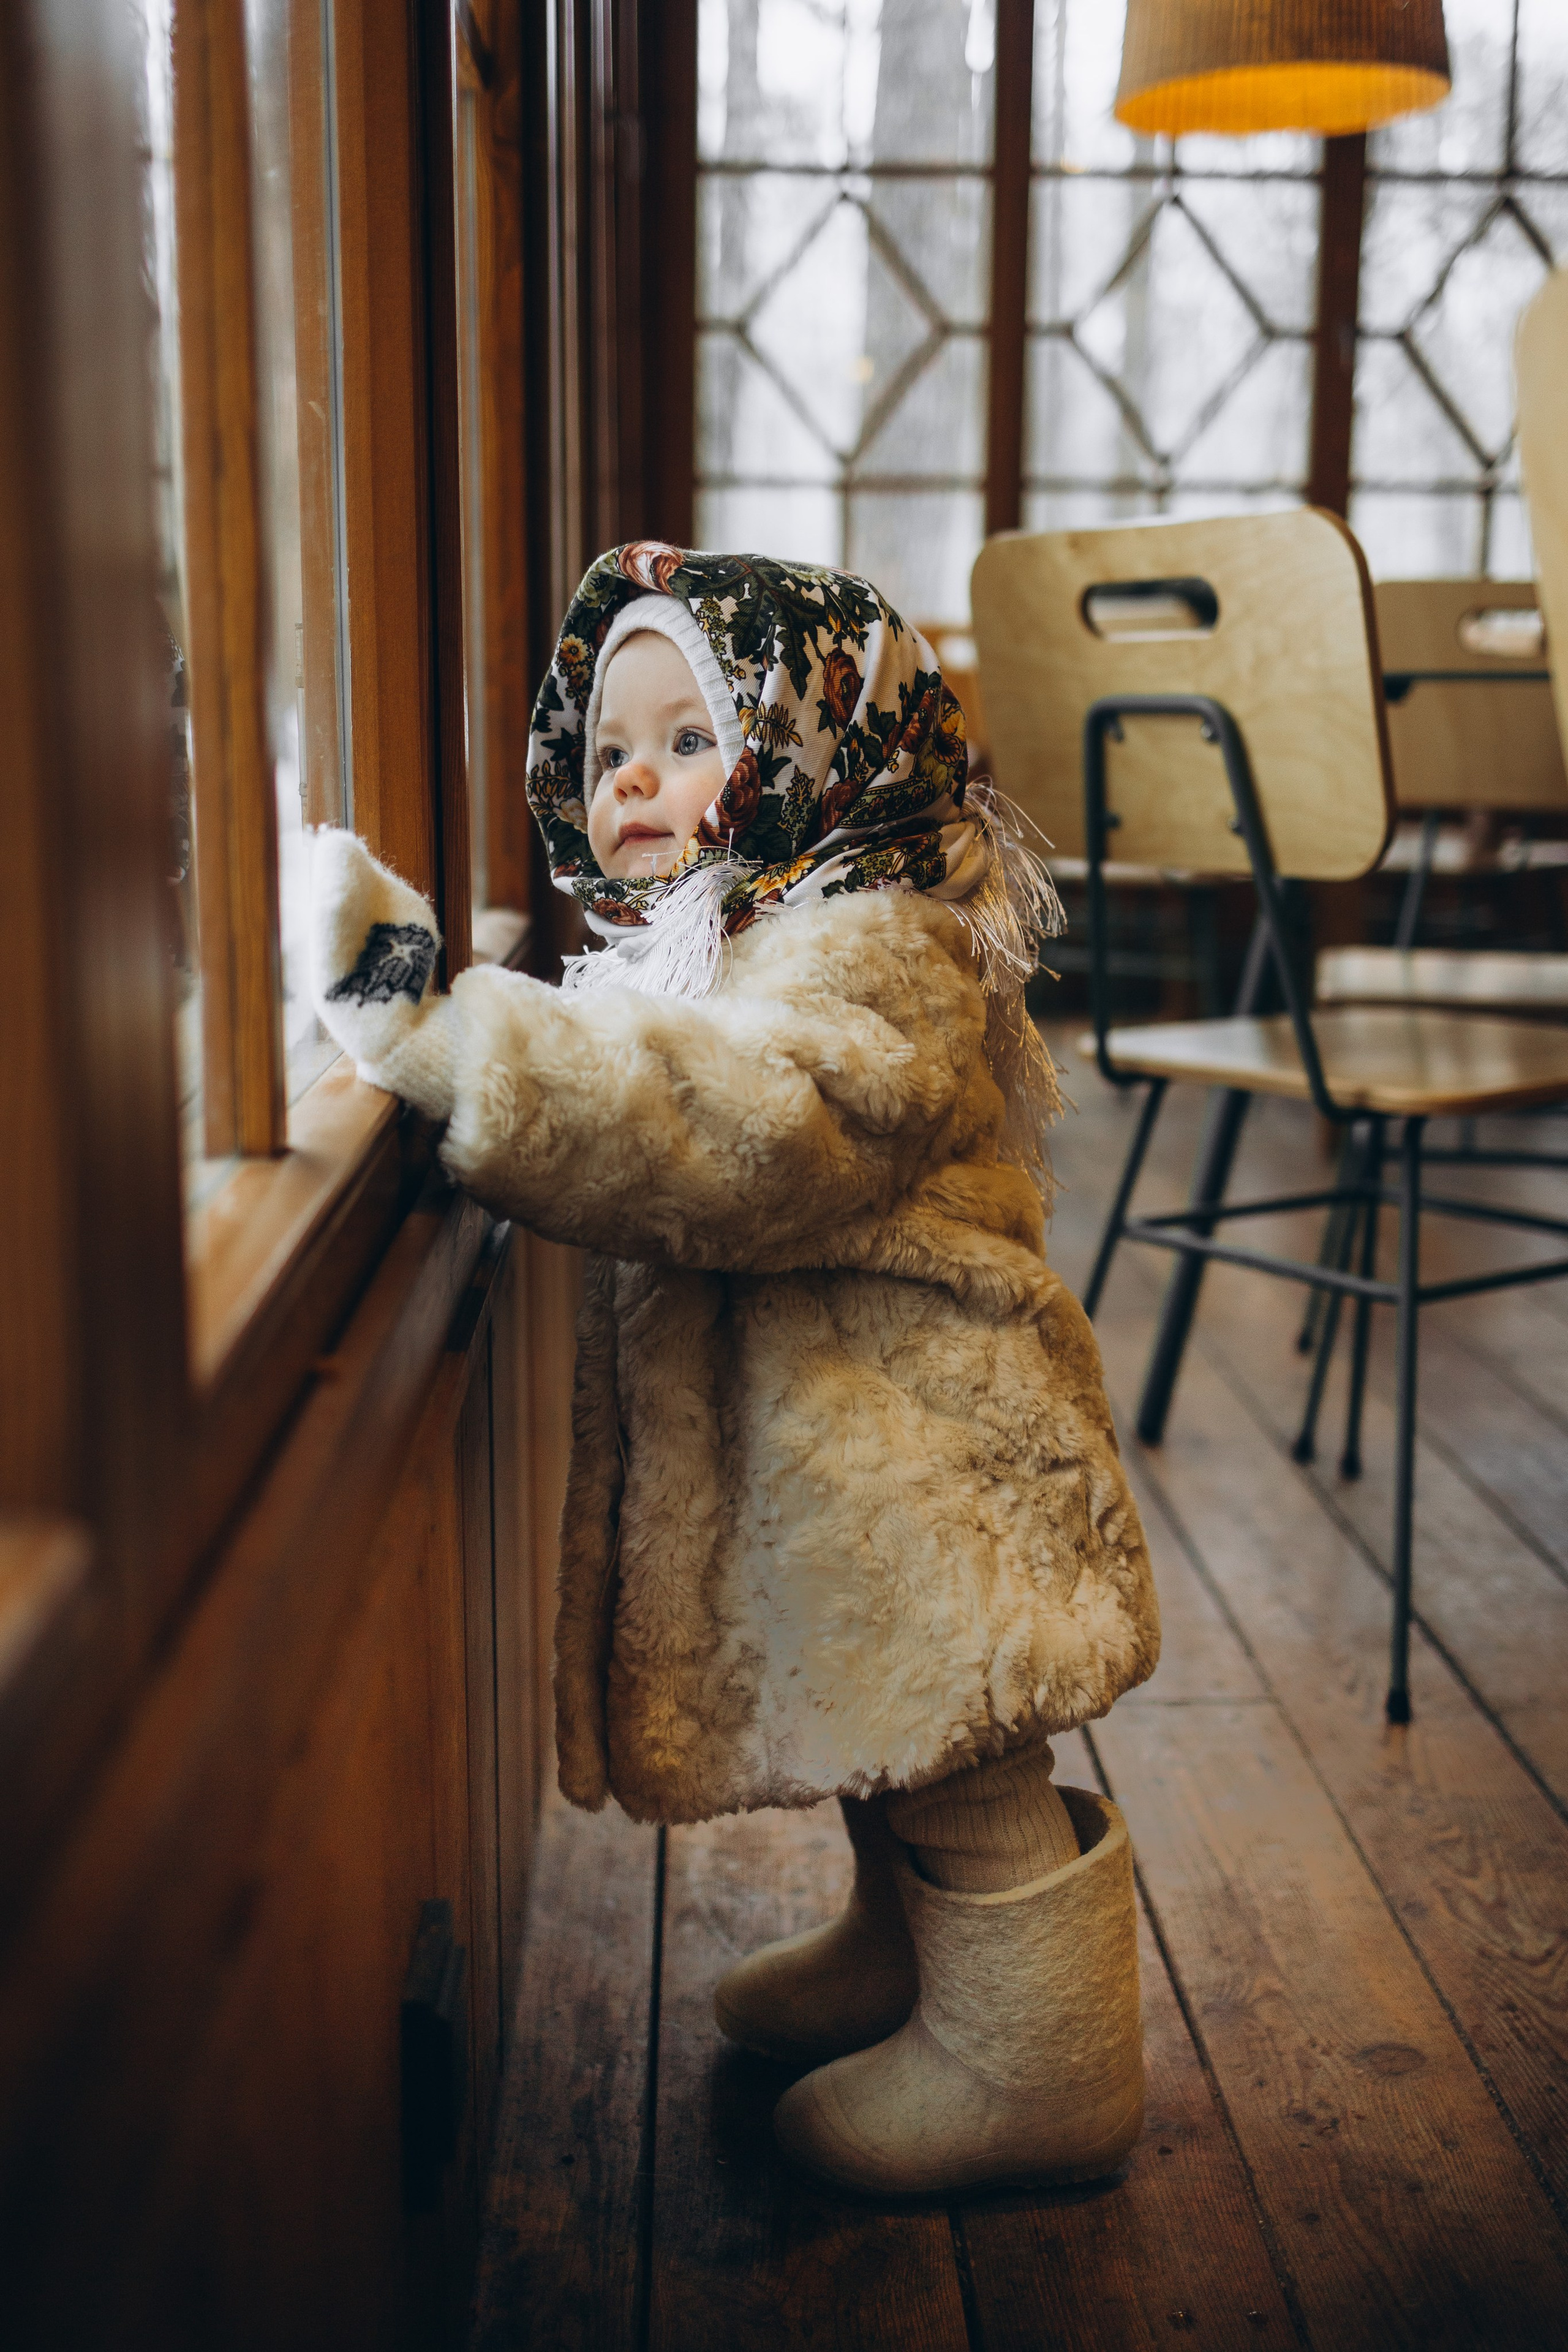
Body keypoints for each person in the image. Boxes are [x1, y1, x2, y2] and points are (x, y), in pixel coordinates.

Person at [309, 542, 1159, 2196]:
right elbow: (669, 1052)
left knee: (962, 1731)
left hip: (928, 1438)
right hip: (849, 1432)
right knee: (891, 1706)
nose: (634, 773)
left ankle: (1044, 2056)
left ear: (815, 749)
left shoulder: (875, 944)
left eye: (693, 737)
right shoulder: (735, 935)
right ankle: (910, 1950)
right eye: (610, 744)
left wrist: (446, 1034)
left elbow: (731, 1121)